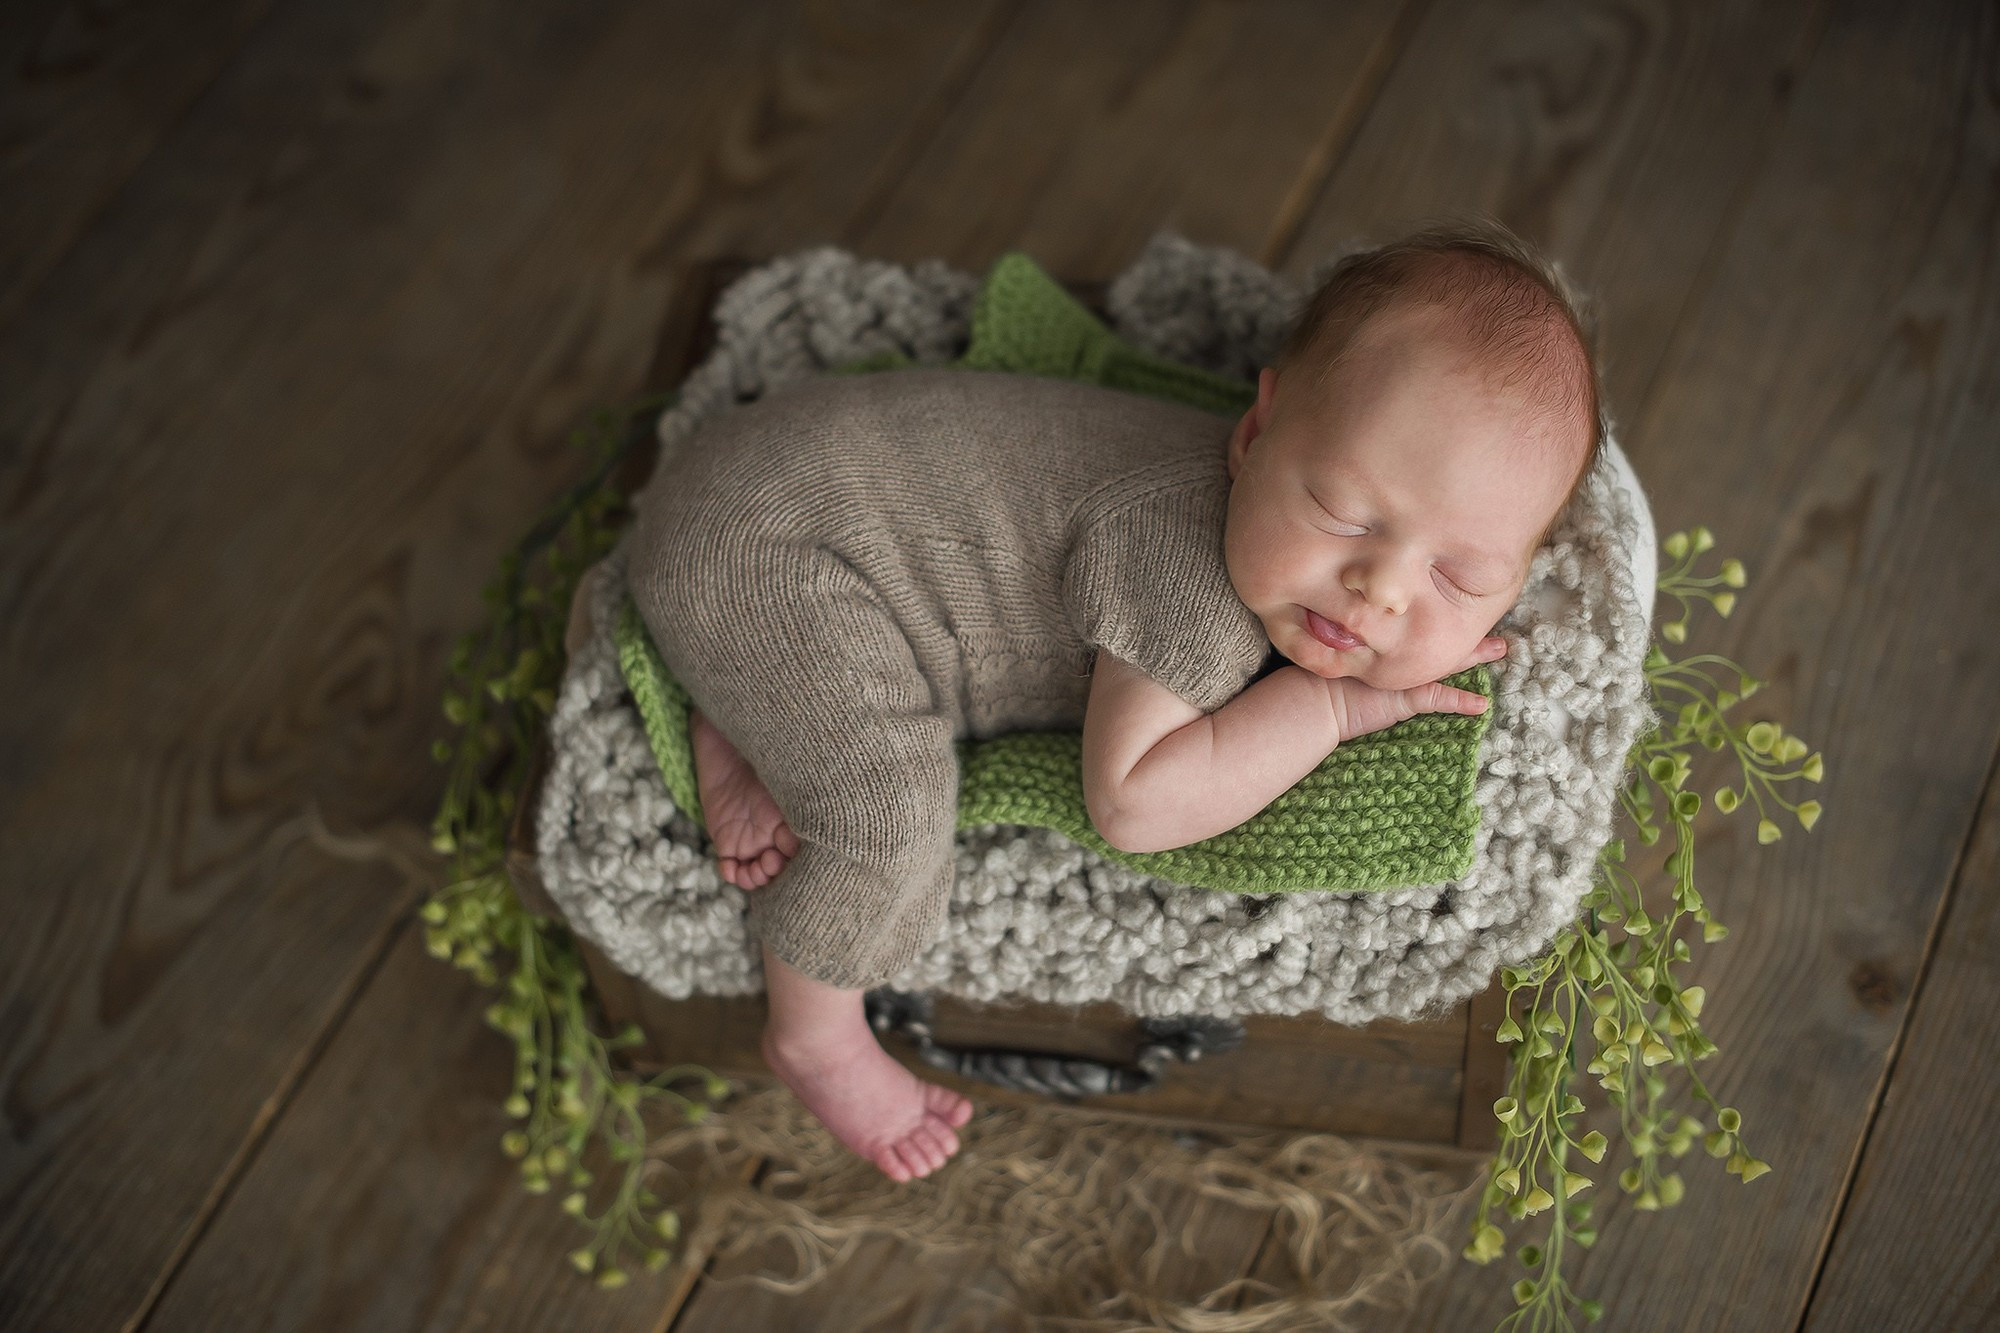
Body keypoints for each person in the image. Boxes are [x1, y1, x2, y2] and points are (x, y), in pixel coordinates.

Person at [627, 220, 1604, 1183]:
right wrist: (1329, 711)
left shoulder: (1285, 529)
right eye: (1344, 515)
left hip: (771, 521)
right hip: (772, 545)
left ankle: (739, 705)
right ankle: (814, 1038)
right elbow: (1132, 803)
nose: (1380, 588)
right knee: (888, 810)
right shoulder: (1190, 578)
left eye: (1459, 577)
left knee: (846, 711)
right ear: (1253, 435)